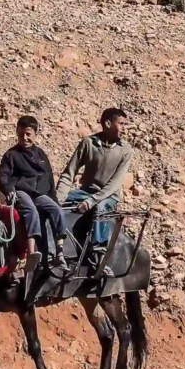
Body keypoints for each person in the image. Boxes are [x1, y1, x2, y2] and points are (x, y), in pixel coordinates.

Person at [56, 107, 134, 272]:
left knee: (100, 207)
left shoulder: (125, 150)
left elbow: (114, 184)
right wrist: (57, 198)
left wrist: (91, 201)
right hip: (84, 193)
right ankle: (55, 247)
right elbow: (69, 173)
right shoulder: (88, 143)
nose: (125, 129)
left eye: (125, 125)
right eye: (121, 124)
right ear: (107, 123)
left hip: (108, 197)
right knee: (52, 206)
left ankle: (97, 253)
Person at [0, 115, 68, 272]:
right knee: (31, 210)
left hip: (39, 194)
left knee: (57, 210)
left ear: (35, 133)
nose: (25, 138)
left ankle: (60, 251)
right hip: (20, 191)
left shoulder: (41, 155)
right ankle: (32, 251)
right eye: (21, 134)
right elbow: (2, 176)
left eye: (28, 134)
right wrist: (9, 189)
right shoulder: (11, 155)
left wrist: (54, 199)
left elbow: (49, 180)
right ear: (16, 133)